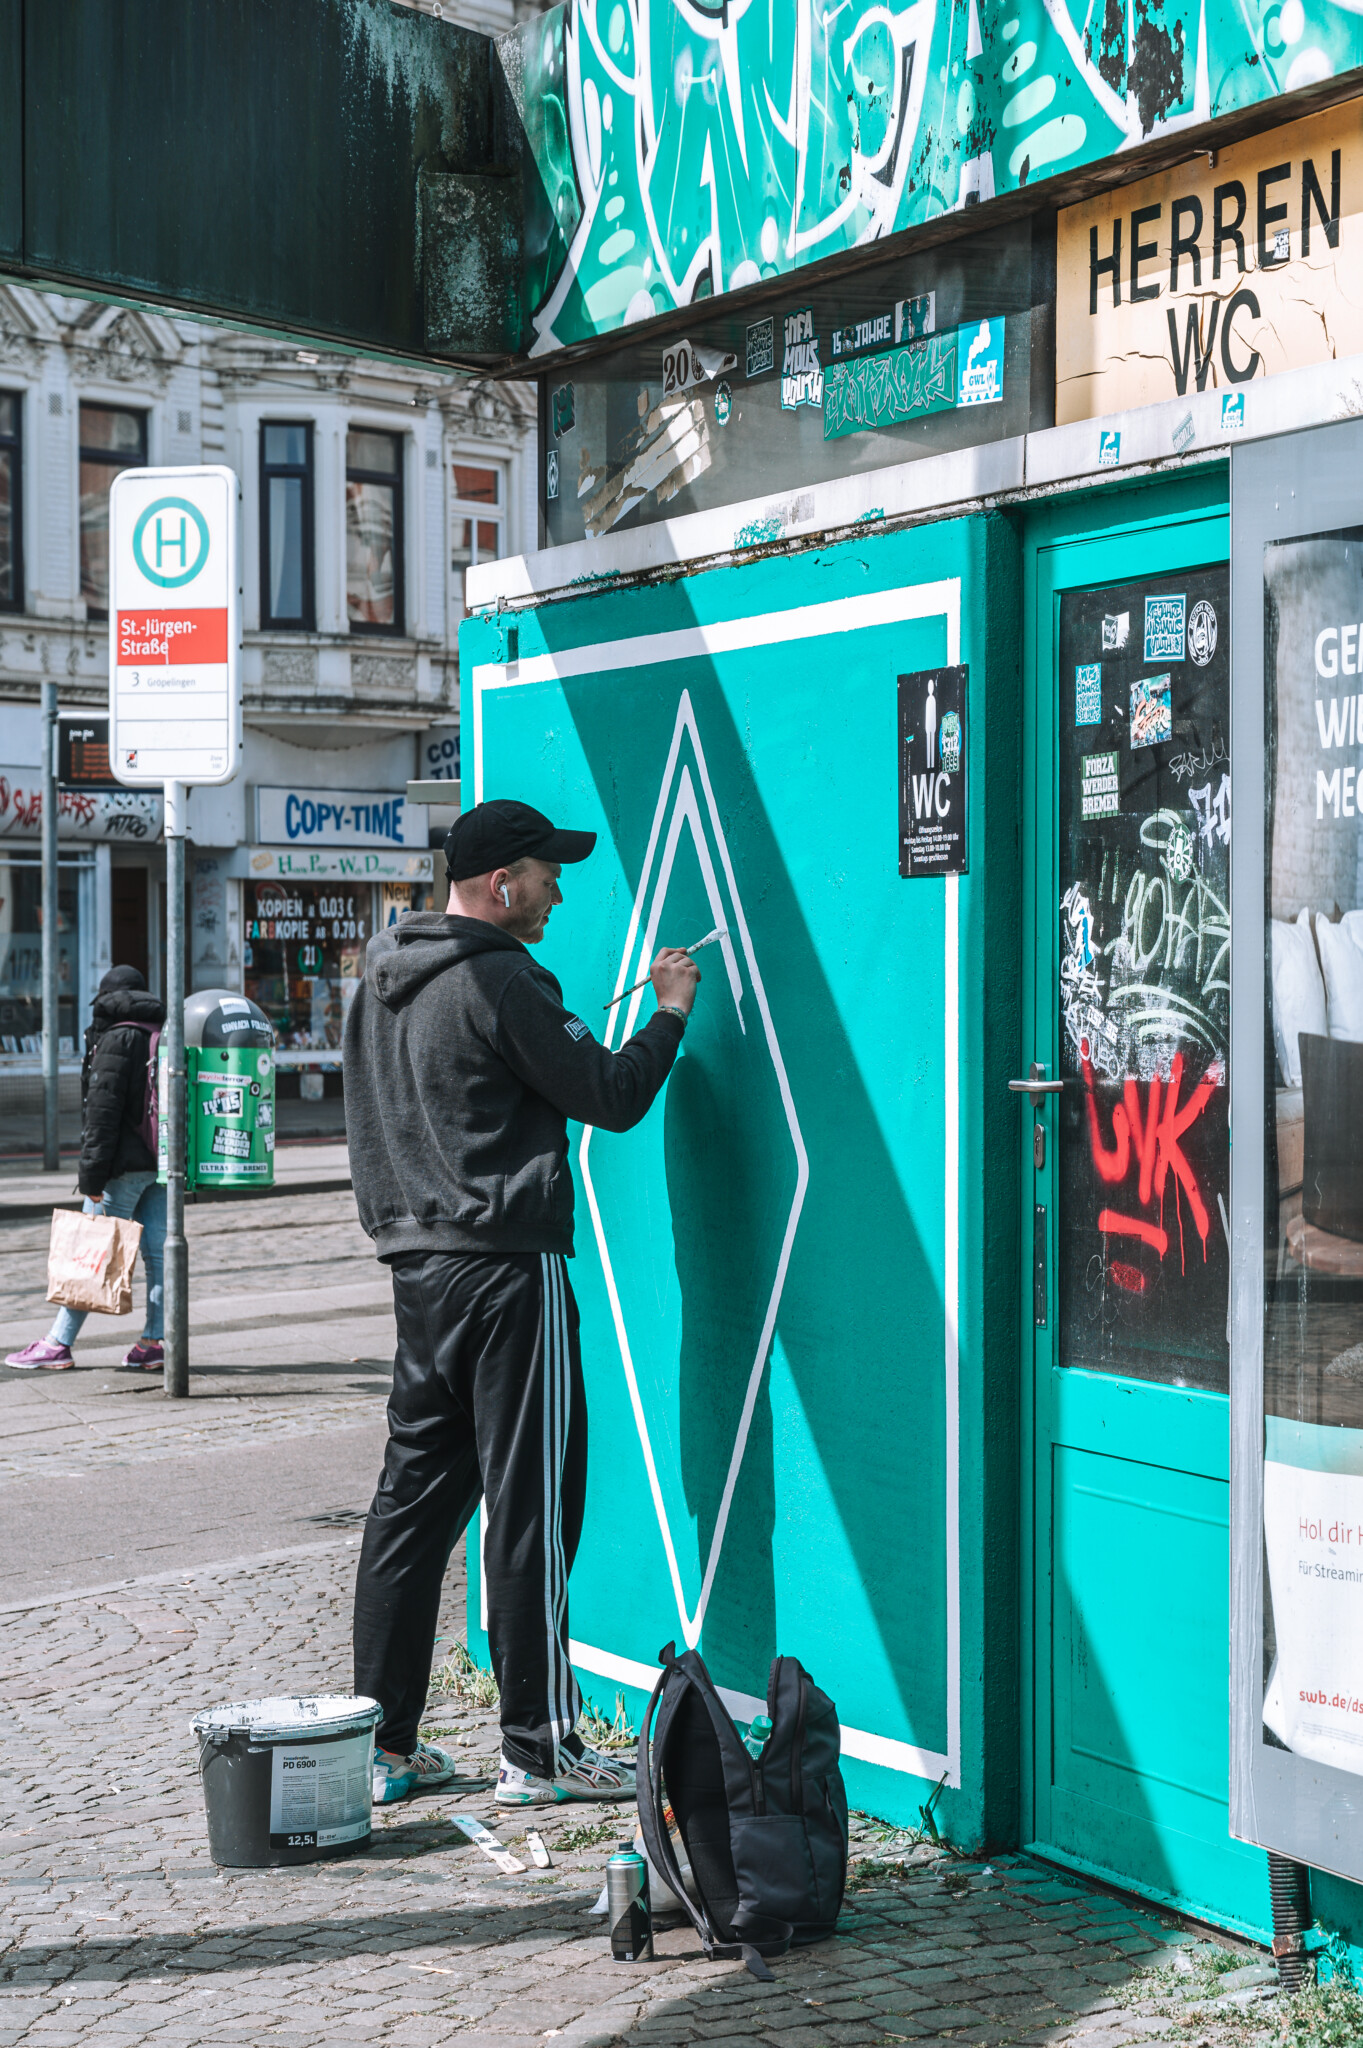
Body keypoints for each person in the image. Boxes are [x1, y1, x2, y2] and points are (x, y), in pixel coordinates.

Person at [345, 798, 700, 1807]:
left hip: (418, 1271)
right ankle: (539, 1745)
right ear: (502, 885)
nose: (558, 889)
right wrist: (669, 1009)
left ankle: (381, 1744)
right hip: (507, 1269)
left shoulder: (379, 978)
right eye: (548, 872)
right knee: (532, 1501)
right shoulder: (504, 977)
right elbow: (612, 1094)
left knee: (408, 1511)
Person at [7, 965, 167, 1373]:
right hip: (161, 1162)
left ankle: (58, 1343)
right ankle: (154, 1340)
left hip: (123, 1168)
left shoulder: (117, 1037)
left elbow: (102, 1113)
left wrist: (92, 1178)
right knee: (158, 1256)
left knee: (88, 1255)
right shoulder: (162, 1033)